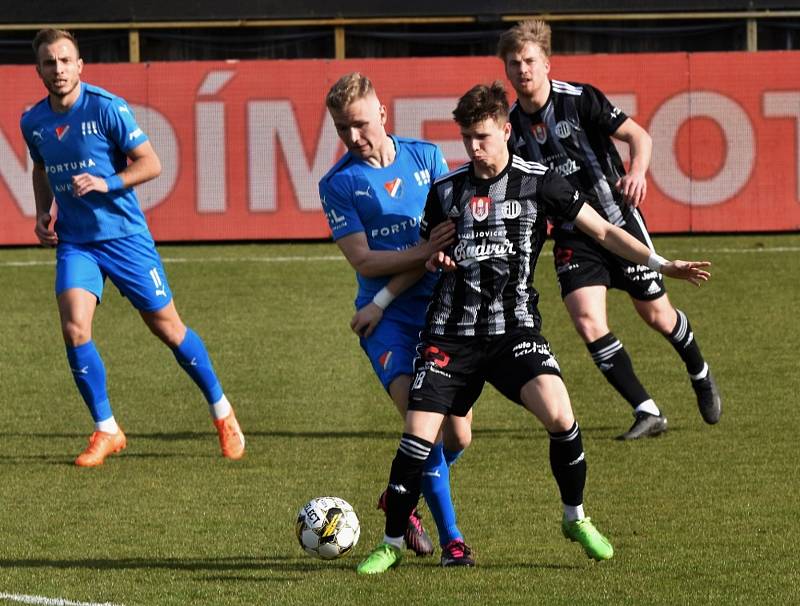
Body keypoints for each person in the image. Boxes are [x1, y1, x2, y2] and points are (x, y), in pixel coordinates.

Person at [356, 82, 712, 574]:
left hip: (514, 332)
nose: (474, 148)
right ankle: (392, 542)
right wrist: (383, 299)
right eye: (466, 138)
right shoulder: (447, 192)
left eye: (482, 136)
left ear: (505, 130)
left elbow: (606, 230)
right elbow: (424, 259)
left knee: (561, 415)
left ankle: (575, 517)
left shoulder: (541, 181)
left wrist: (662, 262)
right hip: (450, 336)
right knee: (418, 439)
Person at [19, 29, 245, 466]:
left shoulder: (107, 108)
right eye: (50, 62)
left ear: (80, 65)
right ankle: (107, 429)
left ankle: (223, 413)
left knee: (168, 328)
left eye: (66, 60)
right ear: (39, 70)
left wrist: (107, 182)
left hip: (125, 238)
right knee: (74, 328)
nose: (59, 69)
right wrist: (42, 213)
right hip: (77, 243)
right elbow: (41, 168)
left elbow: (152, 163)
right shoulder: (33, 121)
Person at [497, 19, 721, 440]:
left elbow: (639, 136)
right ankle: (647, 409)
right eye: (513, 64)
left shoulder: (580, 100)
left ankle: (699, 369)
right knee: (586, 320)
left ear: (546, 63)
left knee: (657, 314)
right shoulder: (511, 129)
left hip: (617, 221)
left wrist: (637, 172)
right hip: (571, 235)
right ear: (506, 71)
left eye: (529, 60)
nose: (522, 69)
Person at [318, 72, 475, 566]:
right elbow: (363, 260)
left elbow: (447, 240)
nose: (354, 137)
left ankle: (400, 496)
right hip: (384, 322)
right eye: (343, 128)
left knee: (459, 435)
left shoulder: (426, 158)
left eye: (361, 124)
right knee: (421, 429)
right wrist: (422, 252)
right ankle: (453, 542)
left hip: (443, 310)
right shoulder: (338, 183)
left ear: (383, 114)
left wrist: (430, 254)